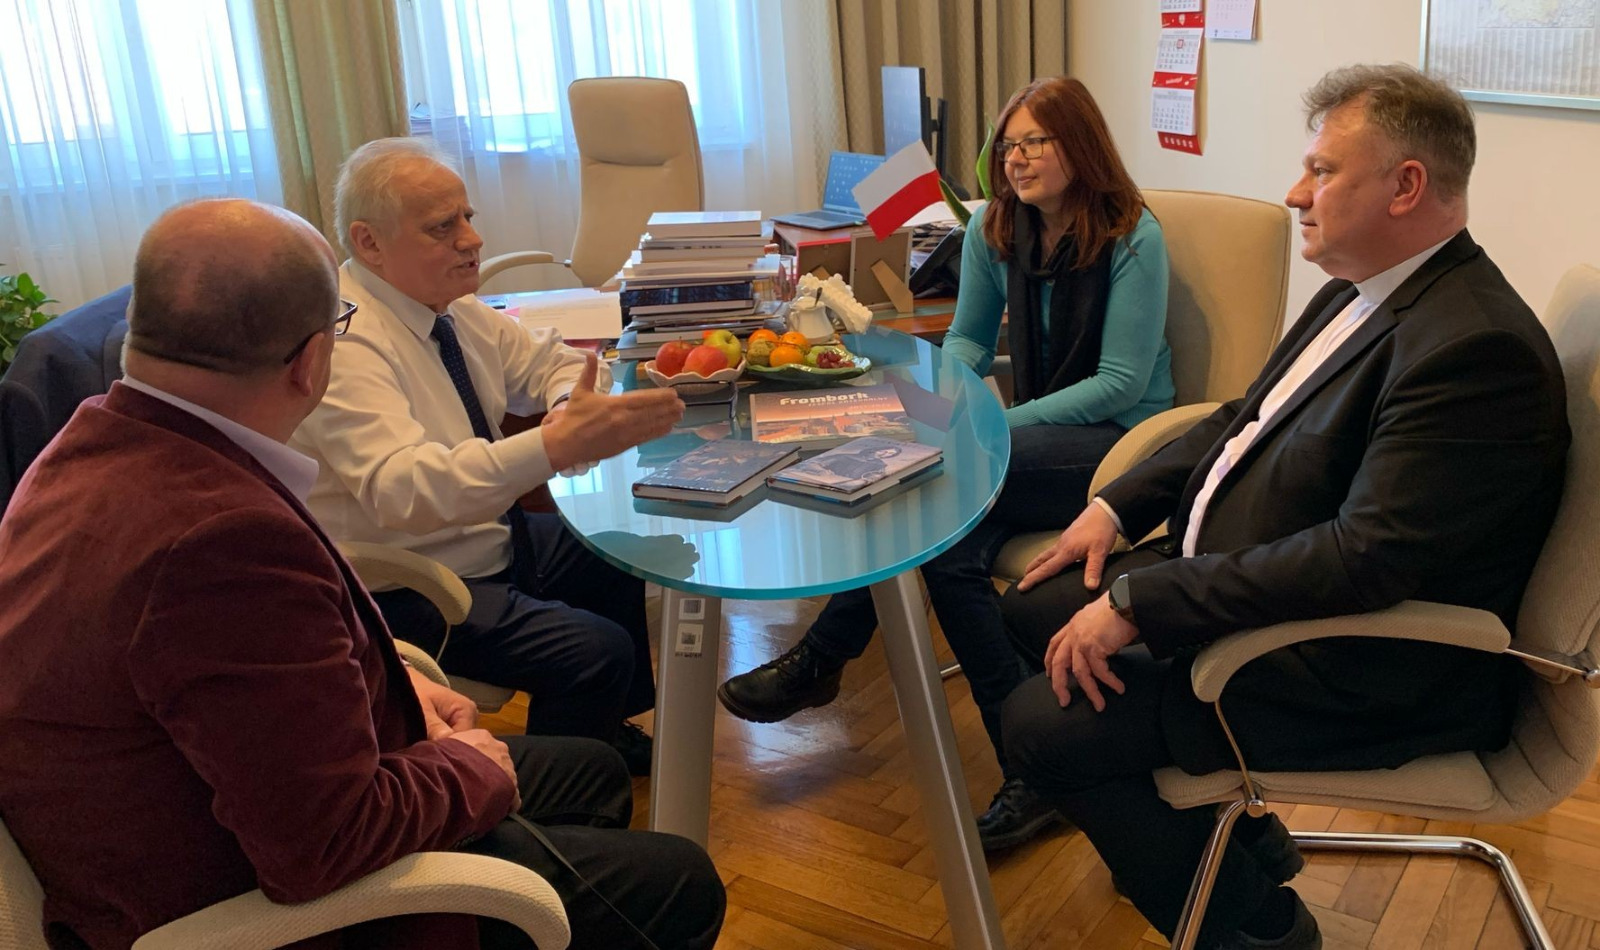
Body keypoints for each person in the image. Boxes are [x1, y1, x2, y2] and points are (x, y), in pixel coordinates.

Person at [0, 199, 723, 950]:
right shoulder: (220, 544)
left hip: (225, 800)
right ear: (313, 360)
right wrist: (467, 773)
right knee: (682, 882)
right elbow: (322, 845)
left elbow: (238, 681)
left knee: (593, 771)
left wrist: (400, 682)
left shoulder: (87, 445)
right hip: (256, 898)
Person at [998, 64, 1569, 950]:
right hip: (1269, 595)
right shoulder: (1364, 286)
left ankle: (1263, 931)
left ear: (1406, 186)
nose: (1296, 193)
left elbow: (1363, 560)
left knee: (1040, 728)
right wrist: (1113, 508)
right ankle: (1241, 846)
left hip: (1356, 667)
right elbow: (1244, 417)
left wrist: (1140, 602)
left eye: (1322, 171)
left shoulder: (1474, 349)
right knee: (1034, 605)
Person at [718, 75, 1175, 851]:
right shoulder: (1000, 228)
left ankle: (825, 657)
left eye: (1035, 142)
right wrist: (943, 402)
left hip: (1121, 443)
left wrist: (982, 426)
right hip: (1037, 434)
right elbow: (966, 339)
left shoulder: (1134, 237)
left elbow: (1120, 384)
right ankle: (1035, 762)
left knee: (929, 481)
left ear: (1081, 146)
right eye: (1009, 146)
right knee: (943, 543)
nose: (1016, 160)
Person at [290, 138, 685, 774]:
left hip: (483, 537)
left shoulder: (447, 307)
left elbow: (553, 361)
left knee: (617, 550)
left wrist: (567, 405)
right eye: (442, 227)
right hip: (410, 583)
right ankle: (550, 796)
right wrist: (555, 444)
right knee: (595, 651)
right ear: (369, 243)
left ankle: (601, 731)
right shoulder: (346, 343)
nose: (471, 240)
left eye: (468, 218)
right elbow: (403, 491)